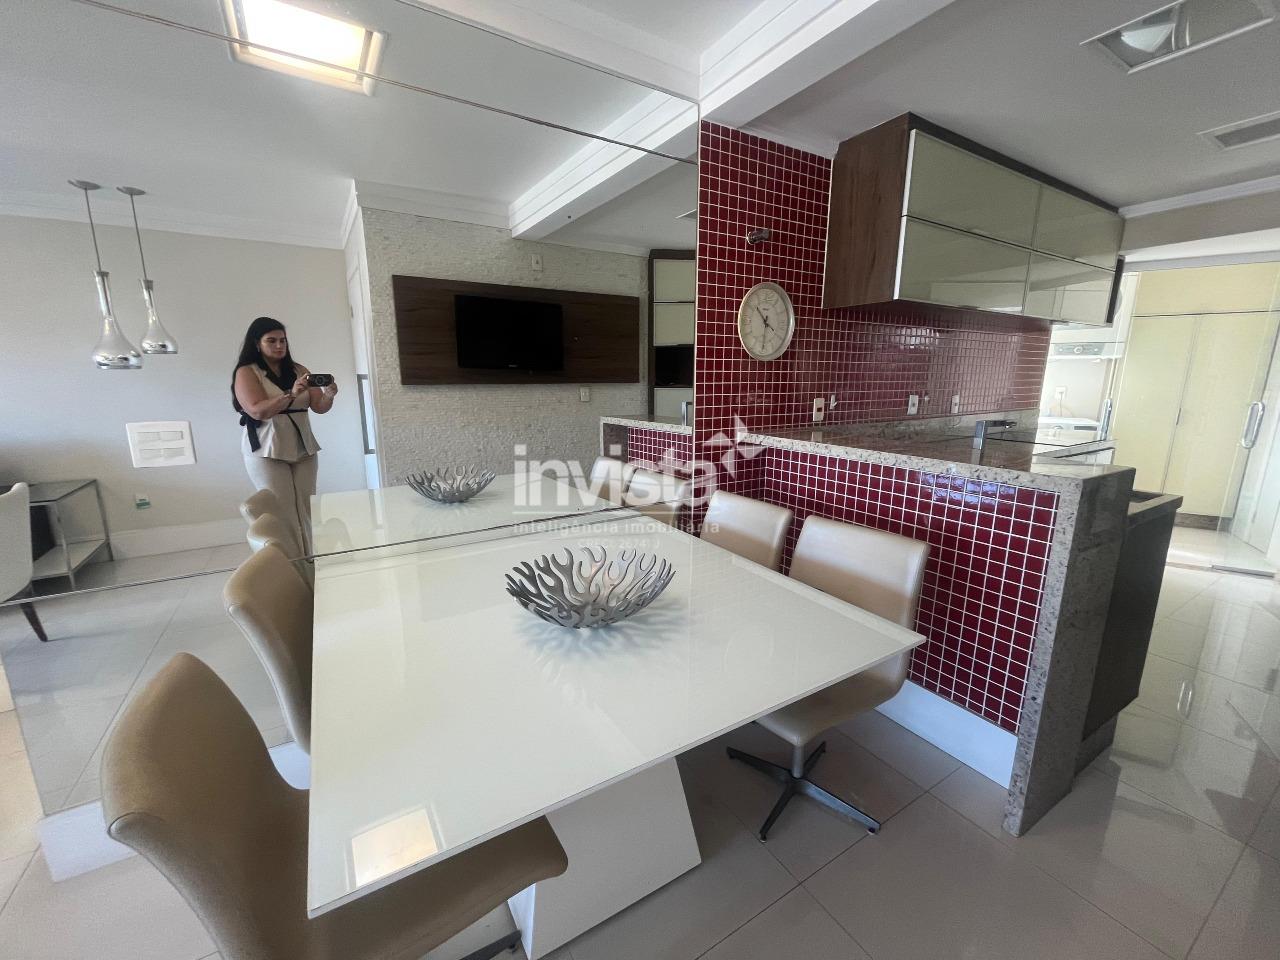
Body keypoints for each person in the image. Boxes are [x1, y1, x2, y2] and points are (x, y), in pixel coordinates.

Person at [232, 317, 337, 554]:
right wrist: (291, 394)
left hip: (303, 445)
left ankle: (313, 558)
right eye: (271, 340)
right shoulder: (247, 372)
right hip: (266, 448)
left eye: (283, 340)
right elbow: (257, 410)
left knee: (307, 506)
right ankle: (290, 561)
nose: (279, 345)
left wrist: (329, 394)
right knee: (282, 509)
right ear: (257, 343)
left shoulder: (299, 370)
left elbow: (319, 406)